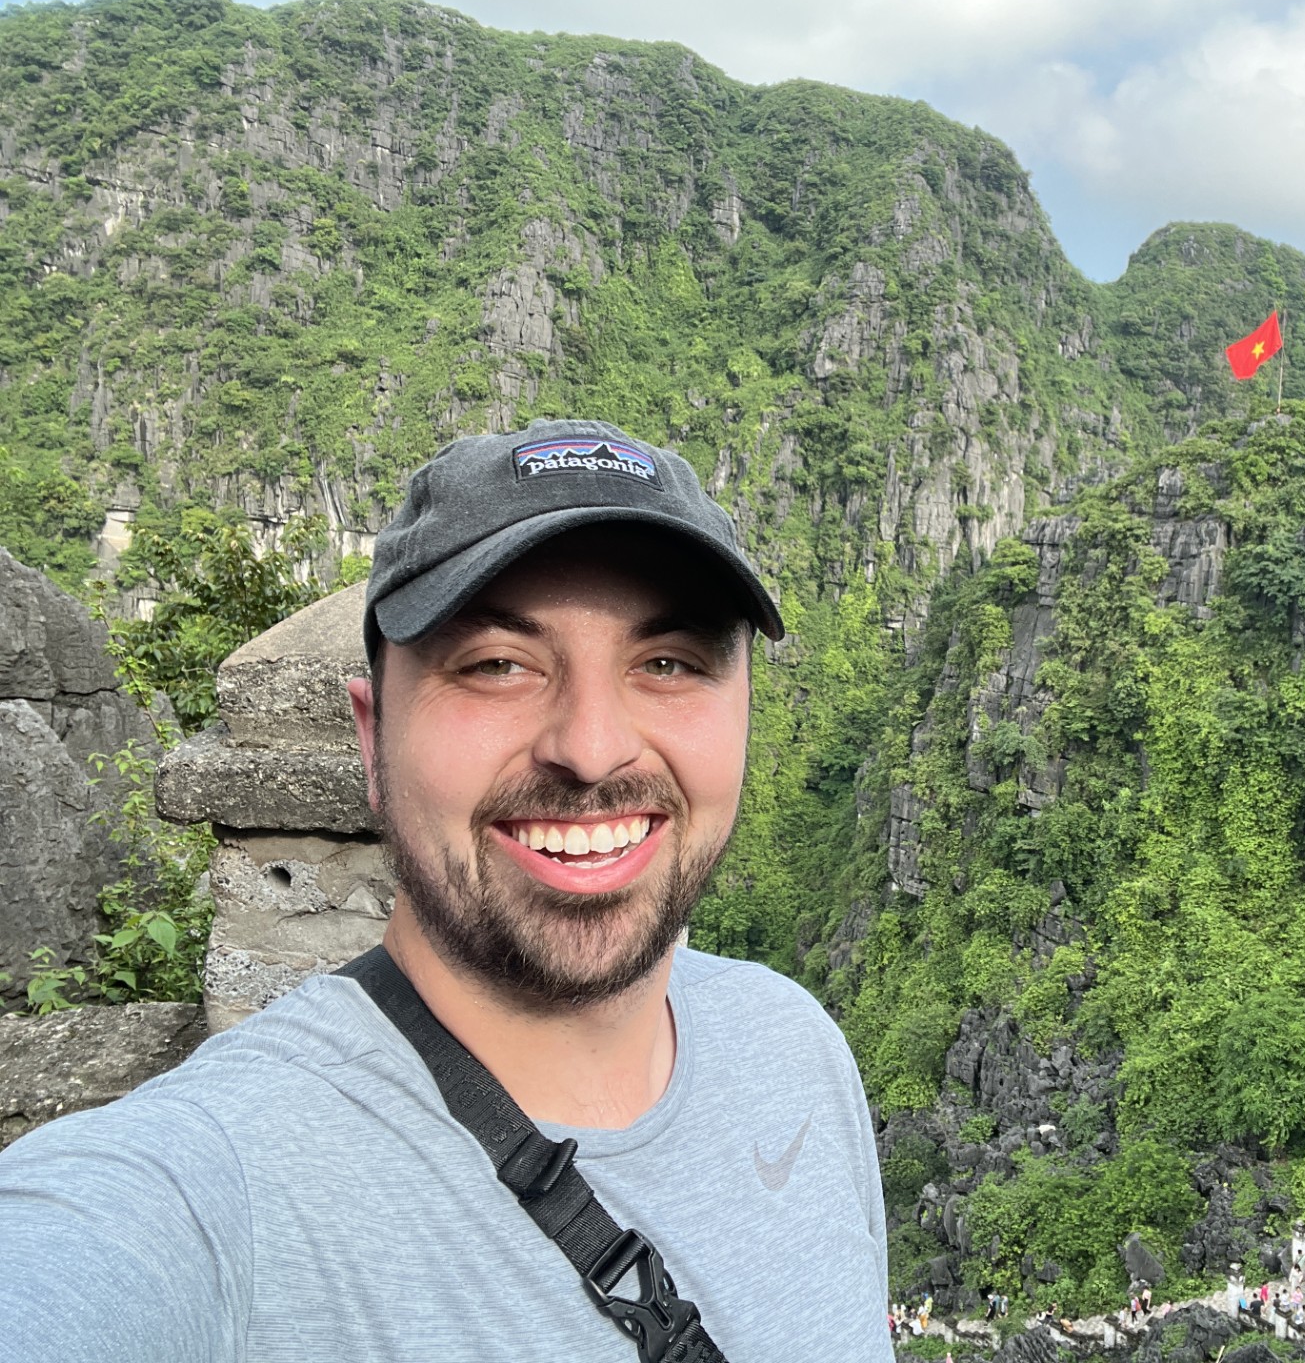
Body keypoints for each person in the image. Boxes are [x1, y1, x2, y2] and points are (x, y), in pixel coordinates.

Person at [0, 421, 892, 1360]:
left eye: (667, 663)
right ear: (372, 738)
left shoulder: (795, 1047)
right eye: (497, 664)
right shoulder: (208, 1192)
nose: (591, 749)